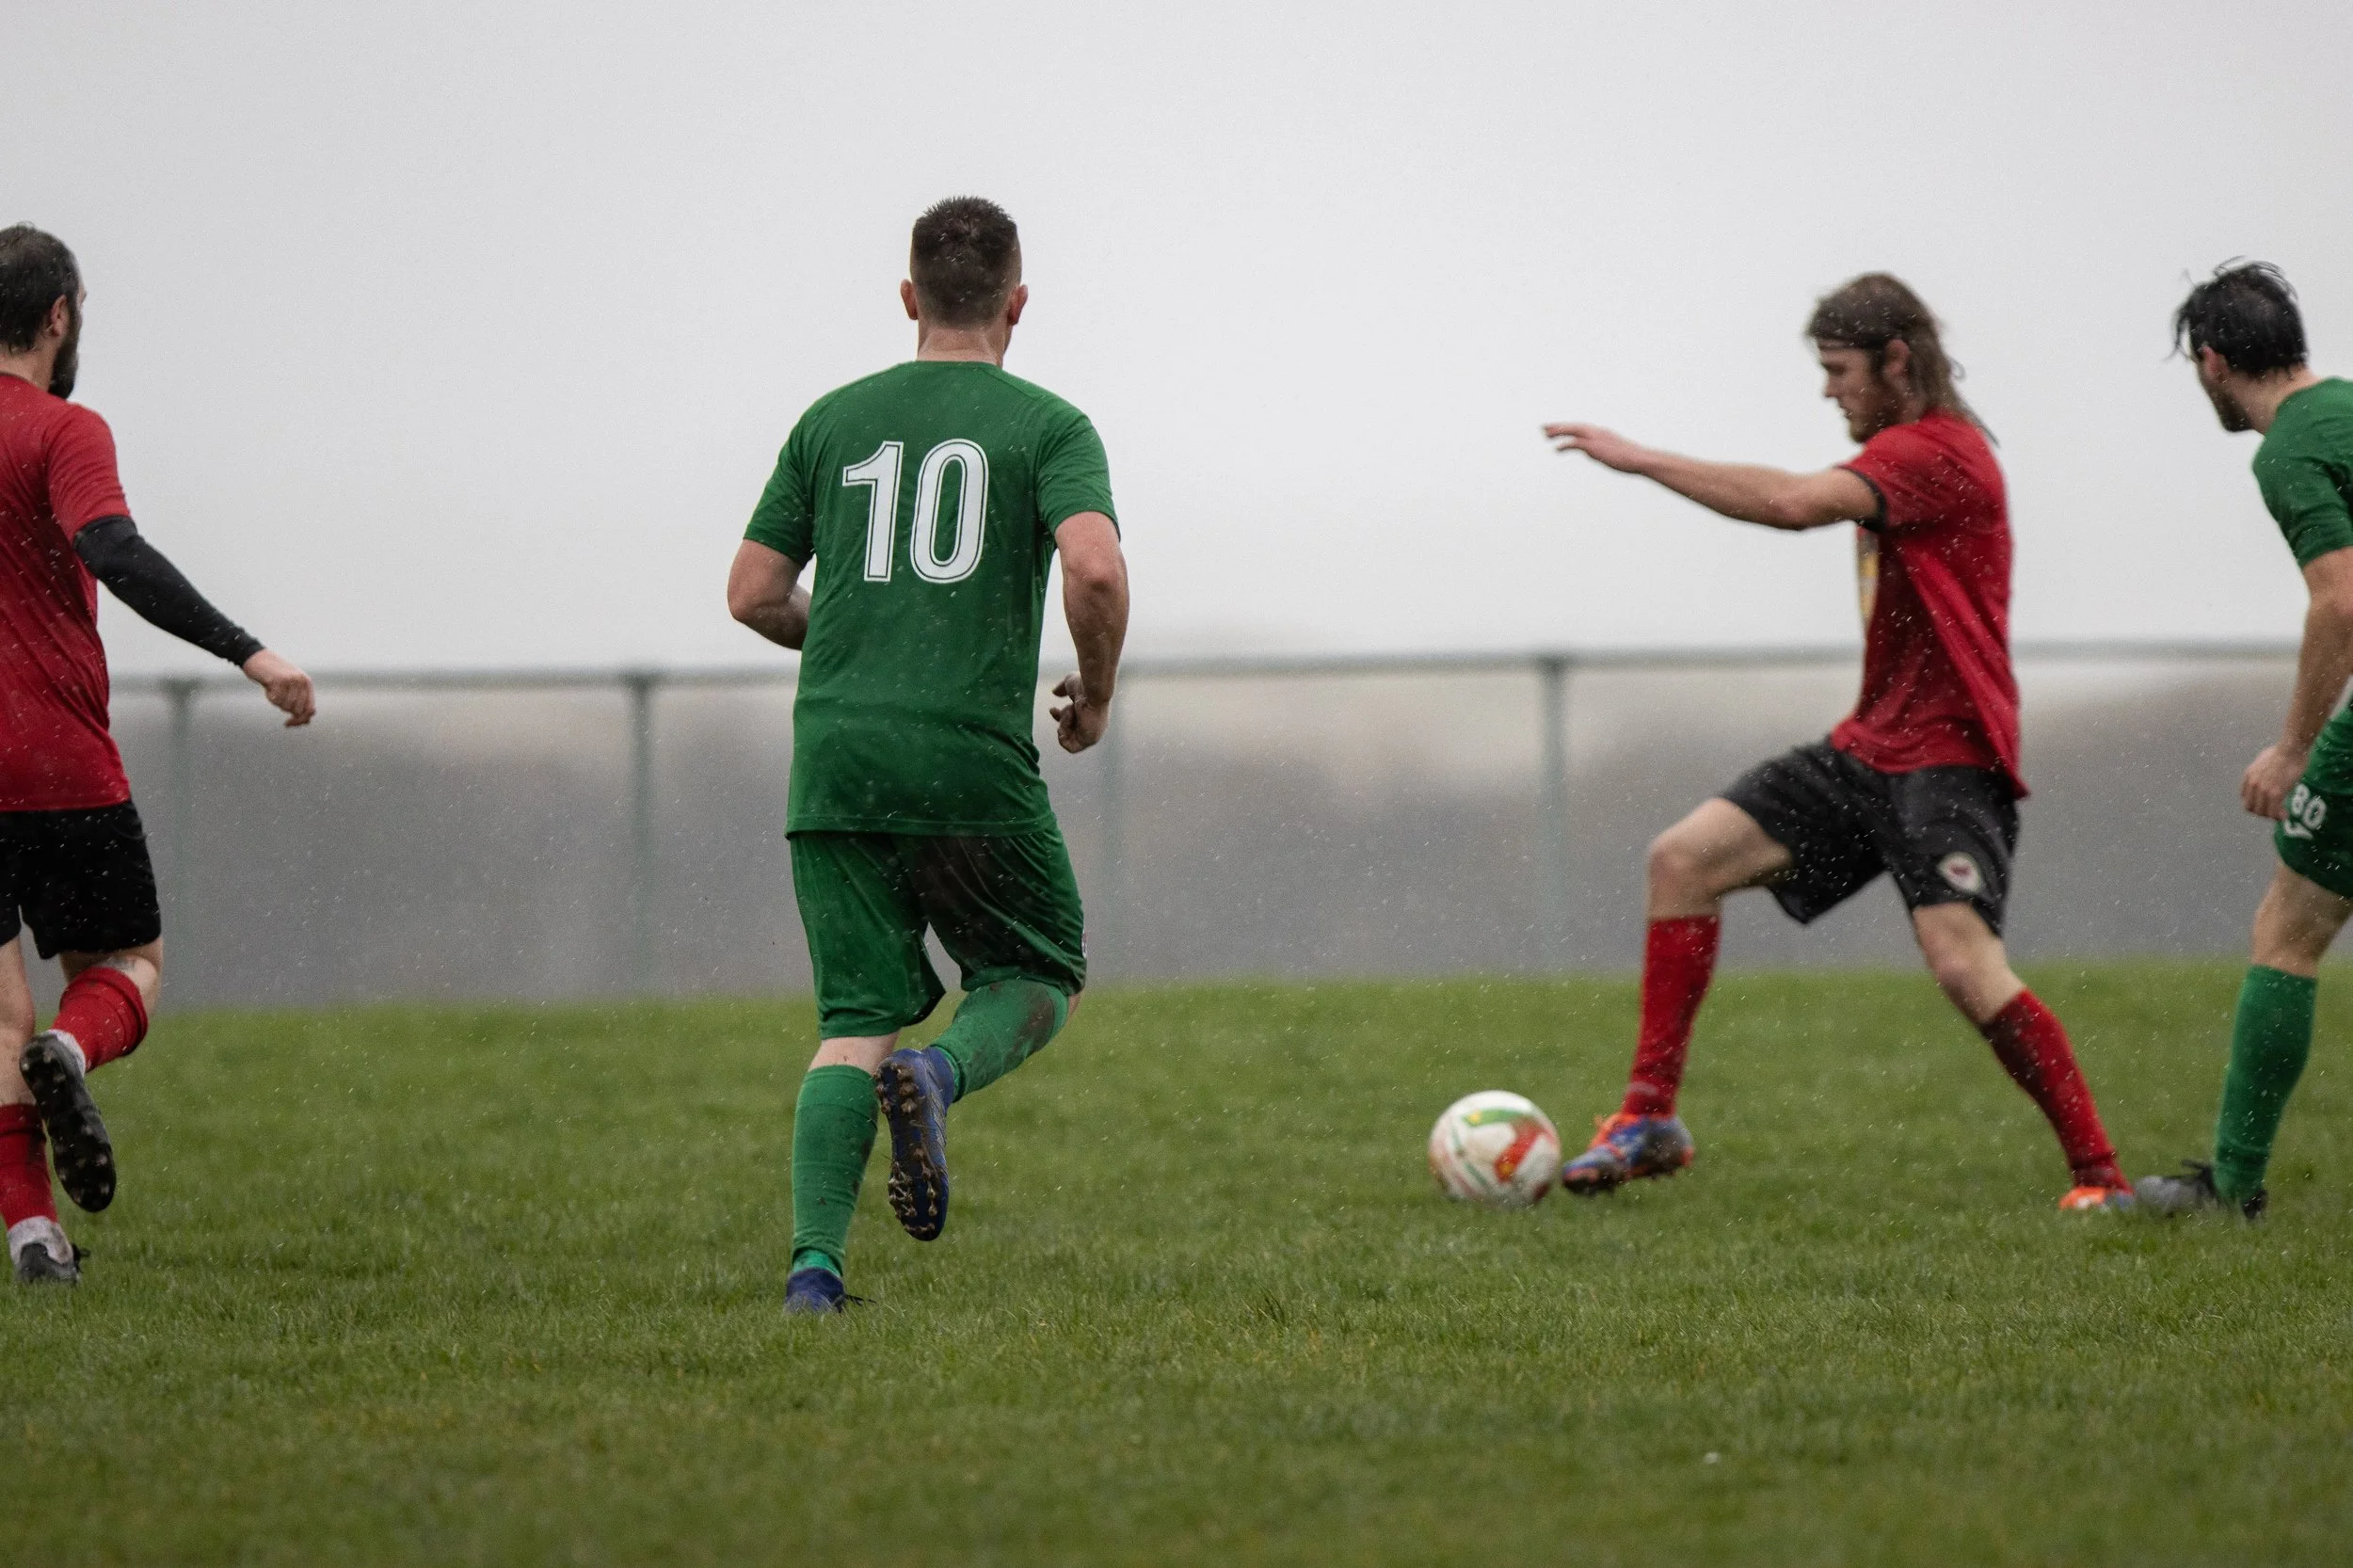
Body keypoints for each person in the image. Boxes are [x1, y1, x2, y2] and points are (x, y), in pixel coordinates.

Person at [1542, 273, 2134, 1212]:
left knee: (1960, 963)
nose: (1828, 392)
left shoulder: (1937, 454)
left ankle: (2100, 1178)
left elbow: (1788, 502)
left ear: (1895, 360)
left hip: (1949, 757)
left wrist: (1642, 458)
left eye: (1838, 371)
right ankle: (1649, 1117)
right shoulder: (1907, 448)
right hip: (1868, 749)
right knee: (1682, 860)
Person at [728, 197, 1128, 1315]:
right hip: (965, 753)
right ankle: (941, 1074)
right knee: (1038, 973)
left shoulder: (831, 421)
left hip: (837, 755)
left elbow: (752, 593)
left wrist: (861, 633)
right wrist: (1092, 695)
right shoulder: (1048, 426)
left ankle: (814, 1273)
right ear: (1018, 304)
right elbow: (1092, 571)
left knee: (853, 1019)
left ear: (908, 298)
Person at [0, 224, 315, 1285]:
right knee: (132, 966)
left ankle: (35, 1239)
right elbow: (114, 553)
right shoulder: (64, 430)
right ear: (58, 316)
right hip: (57, 764)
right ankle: (76, 1053)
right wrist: (249, 651)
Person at [2138, 264, 2352, 1220]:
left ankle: (2231, 1182)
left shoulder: (2284, 452)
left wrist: (2293, 747)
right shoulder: (2347, 406)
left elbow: (2341, 601)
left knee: (2291, 925)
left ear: (2212, 361)